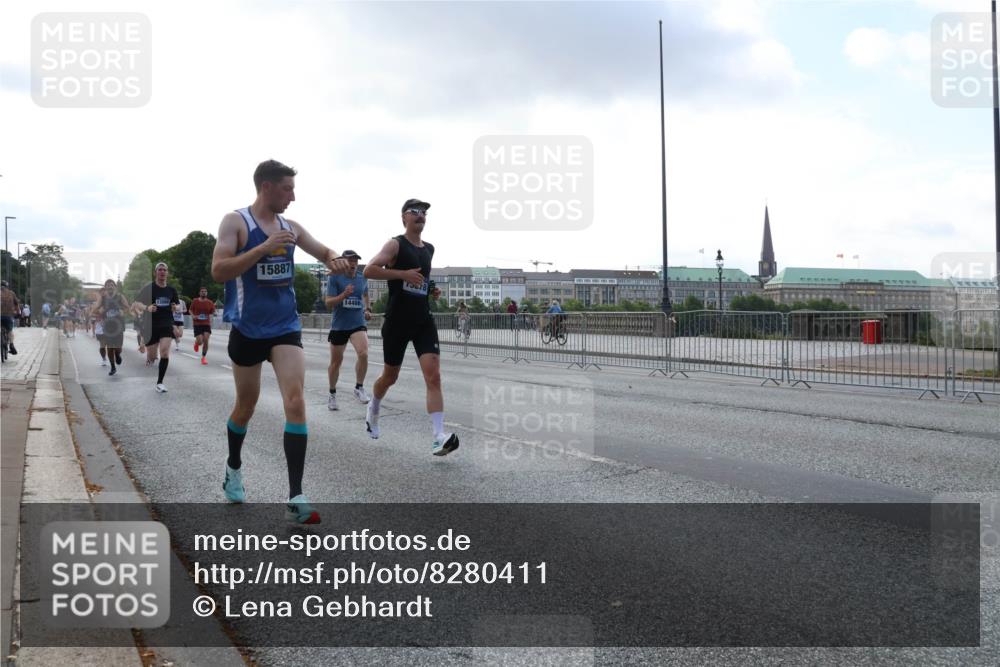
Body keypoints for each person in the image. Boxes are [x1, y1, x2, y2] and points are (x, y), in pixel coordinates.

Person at [211, 159, 349, 524]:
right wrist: (263, 247)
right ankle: (234, 467)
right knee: (246, 405)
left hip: (285, 327)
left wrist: (335, 260)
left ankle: (295, 495)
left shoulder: (292, 227)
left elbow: (322, 250)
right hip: (247, 327)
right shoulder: (236, 222)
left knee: (296, 400)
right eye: (287, 188)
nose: (293, 196)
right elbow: (219, 269)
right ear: (266, 187)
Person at [363, 198, 459, 456]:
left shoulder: (429, 248)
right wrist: (401, 274)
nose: (421, 215)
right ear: (404, 217)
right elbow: (369, 270)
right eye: (415, 211)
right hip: (397, 321)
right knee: (390, 377)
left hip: (423, 320)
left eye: (424, 212)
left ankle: (439, 436)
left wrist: (431, 289)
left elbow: (421, 281)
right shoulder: (395, 244)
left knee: (434, 375)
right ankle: (373, 406)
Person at [324, 250, 371, 411]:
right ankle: (332, 394)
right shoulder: (334, 277)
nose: (353, 264)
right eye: (350, 260)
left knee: (363, 353)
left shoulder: (362, 277)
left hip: (358, 322)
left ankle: (359, 387)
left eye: (356, 261)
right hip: (339, 325)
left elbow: (365, 294)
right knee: (336, 362)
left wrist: (367, 308)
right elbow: (329, 302)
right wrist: (344, 295)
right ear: (344, 262)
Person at [134, 262, 180, 392]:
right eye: (160, 269)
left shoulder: (171, 290)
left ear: (167, 273)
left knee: (164, 352)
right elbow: (136, 303)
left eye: (164, 270)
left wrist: (175, 307)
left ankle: (160, 383)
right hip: (151, 325)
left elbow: (177, 305)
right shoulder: (149, 288)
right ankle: (150, 355)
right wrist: (147, 308)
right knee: (152, 356)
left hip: (166, 323)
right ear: (156, 272)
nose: (162, 272)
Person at [96, 279, 129, 376]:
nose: (110, 287)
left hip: (118, 326)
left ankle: (118, 354)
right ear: (105, 288)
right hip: (107, 326)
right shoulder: (103, 298)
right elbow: (95, 308)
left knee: (118, 348)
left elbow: (127, 307)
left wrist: (124, 311)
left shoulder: (120, 296)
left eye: (111, 285)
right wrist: (99, 311)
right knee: (110, 348)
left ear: (115, 287)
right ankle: (113, 367)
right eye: (108, 285)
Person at [190, 287, 215, 365]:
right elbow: (190, 310)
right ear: (199, 293)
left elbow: (213, 311)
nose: (204, 292)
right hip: (197, 324)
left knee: (206, 340)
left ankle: (203, 357)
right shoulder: (195, 301)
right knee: (200, 341)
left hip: (206, 324)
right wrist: (193, 316)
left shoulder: (210, 302)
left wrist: (213, 315)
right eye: (202, 291)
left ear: (207, 293)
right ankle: (196, 343)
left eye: (205, 291)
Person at [0, 281, 19, 356]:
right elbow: (16, 304)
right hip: (8, 315)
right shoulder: (11, 293)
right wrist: (17, 312)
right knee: (10, 330)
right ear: (7, 286)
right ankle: (11, 345)